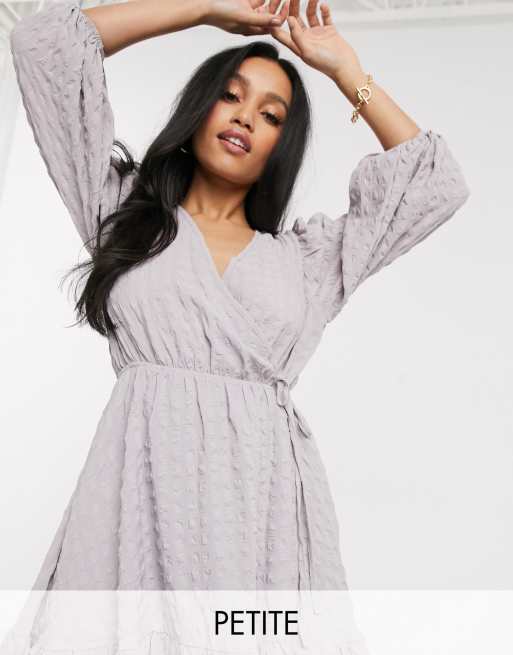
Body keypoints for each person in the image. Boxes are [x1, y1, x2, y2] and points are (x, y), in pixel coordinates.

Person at [5, 0, 469, 650]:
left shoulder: (307, 261)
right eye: (230, 95)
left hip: (259, 514)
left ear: (282, 145)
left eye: (272, 114)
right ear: (200, 109)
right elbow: (44, 45)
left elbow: (434, 182)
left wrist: (345, 69)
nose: (246, 116)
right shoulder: (124, 215)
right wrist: (199, 8)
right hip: (135, 497)